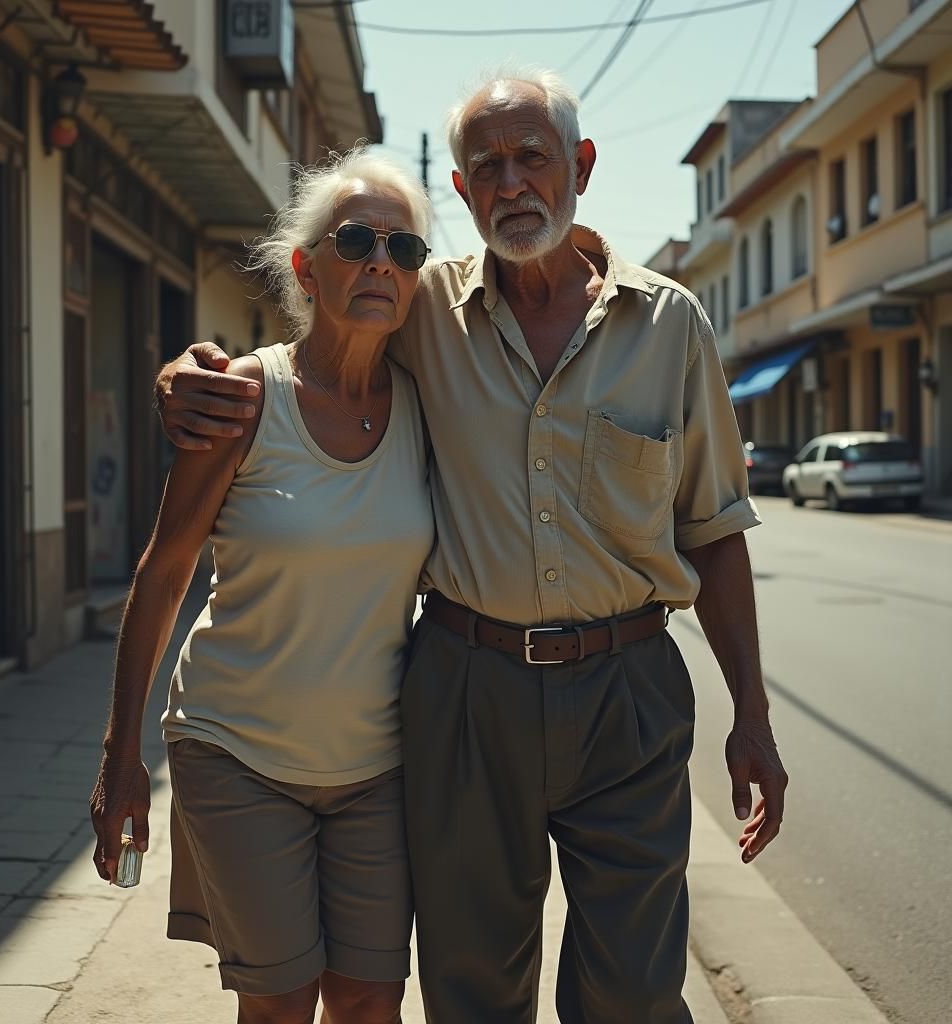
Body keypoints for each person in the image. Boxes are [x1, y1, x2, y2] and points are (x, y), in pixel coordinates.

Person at [156, 68, 789, 1024]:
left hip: (628, 693)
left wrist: (754, 713)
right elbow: (318, 354)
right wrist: (187, 372)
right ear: (459, 190)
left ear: (578, 165)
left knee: (635, 990)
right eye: (484, 166)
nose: (510, 184)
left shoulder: (669, 325)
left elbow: (717, 534)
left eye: (532, 157)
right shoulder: (420, 311)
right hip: (465, 688)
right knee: (474, 987)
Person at [89, 148, 435, 1024]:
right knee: (278, 1002)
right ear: (306, 267)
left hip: (377, 766)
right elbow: (164, 573)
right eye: (356, 240)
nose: (381, 264)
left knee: (369, 1003)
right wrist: (120, 755)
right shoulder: (244, 396)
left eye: (404, 251)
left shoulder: (433, 404)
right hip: (237, 751)